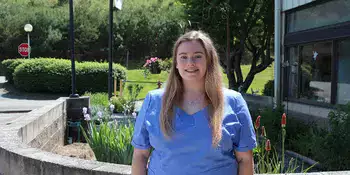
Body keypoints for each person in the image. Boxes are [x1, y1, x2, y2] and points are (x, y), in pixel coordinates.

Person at [131, 30, 256, 175]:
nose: (190, 63)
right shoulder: (154, 101)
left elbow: (245, 159)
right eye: (183, 57)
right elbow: (140, 155)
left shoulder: (233, 102)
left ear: (209, 60)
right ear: (176, 63)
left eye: (197, 56)